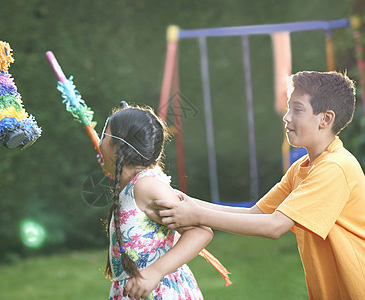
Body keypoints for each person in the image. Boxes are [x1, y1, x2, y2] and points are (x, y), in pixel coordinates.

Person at [156, 71, 365, 300]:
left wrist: (196, 215)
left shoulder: (334, 168)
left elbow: (274, 226)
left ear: (325, 119)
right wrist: (187, 202)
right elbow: (256, 213)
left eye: (297, 109)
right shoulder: (303, 168)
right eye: (288, 108)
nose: (286, 117)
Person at [100, 105, 214, 299]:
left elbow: (200, 231)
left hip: (159, 291)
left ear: (118, 147)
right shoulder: (134, 186)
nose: (99, 142)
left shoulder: (146, 186)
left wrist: (156, 271)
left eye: (104, 135)